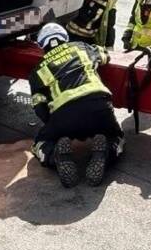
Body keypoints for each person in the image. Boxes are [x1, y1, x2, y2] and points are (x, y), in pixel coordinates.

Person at [28, 22, 123, 188]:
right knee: (116, 136)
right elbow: (105, 55)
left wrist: (53, 125)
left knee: (40, 143)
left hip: (65, 113)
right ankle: (103, 152)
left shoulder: (38, 69)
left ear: (41, 44)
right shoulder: (81, 47)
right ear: (65, 38)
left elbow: (39, 105)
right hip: (99, 105)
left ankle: (56, 156)